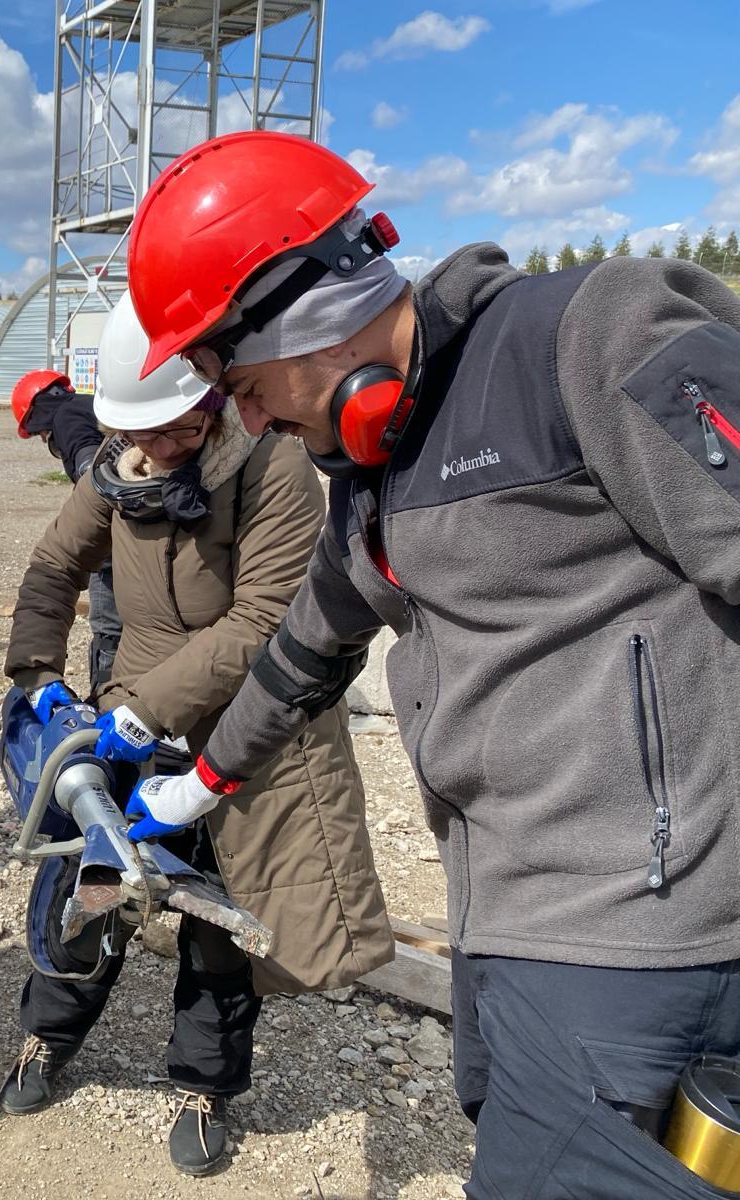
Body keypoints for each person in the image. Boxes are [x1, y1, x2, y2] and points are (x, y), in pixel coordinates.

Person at [124, 130, 740, 1198]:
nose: (252, 419)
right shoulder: (371, 473)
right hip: (500, 924)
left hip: (646, 937)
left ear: (298, 311)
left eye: (243, 383)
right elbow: (304, 649)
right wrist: (198, 782)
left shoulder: (586, 337)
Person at [0, 290, 391, 1175]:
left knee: (222, 914)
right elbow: (57, 565)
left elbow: (261, 619)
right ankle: (47, 1032)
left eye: (173, 430)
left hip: (246, 730)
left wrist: (145, 715)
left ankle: (204, 1082)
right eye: (140, 434)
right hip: (134, 710)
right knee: (91, 881)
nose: (153, 451)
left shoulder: (273, 465)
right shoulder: (124, 461)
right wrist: (36, 679)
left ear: (212, 401)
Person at [11, 368, 122, 691]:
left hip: (115, 533)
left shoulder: (65, 416)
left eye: (42, 436)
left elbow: (90, 465)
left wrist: (90, 511)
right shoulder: (91, 405)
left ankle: (108, 696)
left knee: (110, 628)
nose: (46, 440)